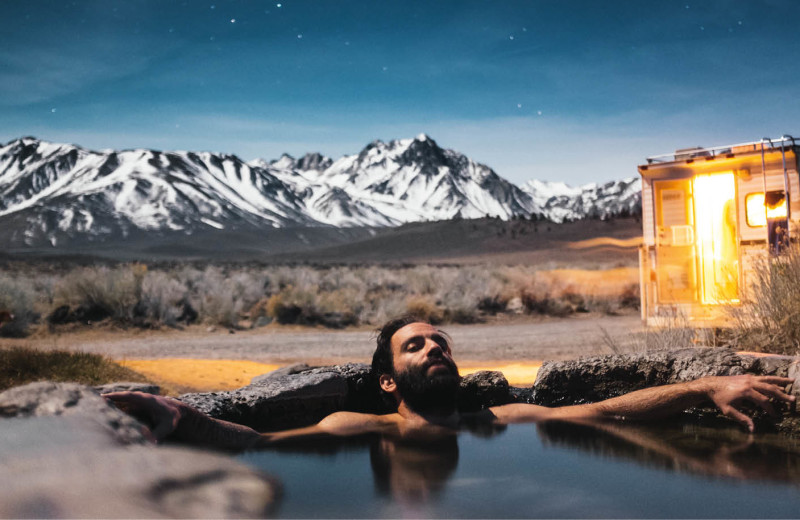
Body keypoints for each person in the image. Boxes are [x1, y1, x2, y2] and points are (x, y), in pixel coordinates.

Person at [106, 315, 796, 450]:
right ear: (386, 383)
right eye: (415, 345)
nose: (435, 346)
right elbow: (256, 443)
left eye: (441, 341)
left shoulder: (503, 422)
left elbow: (611, 410)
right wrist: (179, 416)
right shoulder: (358, 429)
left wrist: (707, 388)